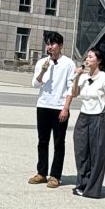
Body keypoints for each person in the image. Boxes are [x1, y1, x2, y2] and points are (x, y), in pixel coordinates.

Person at [66, 46, 105, 198]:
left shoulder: (104, 79)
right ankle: (82, 183)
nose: (87, 59)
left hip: (99, 117)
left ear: (98, 61)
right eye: (87, 57)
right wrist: (76, 77)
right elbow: (74, 93)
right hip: (84, 116)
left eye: (90, 57)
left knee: (97, 153)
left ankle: (93, 189)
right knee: (81, 151)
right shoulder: (83, 77)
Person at [29, 33, 75, 187]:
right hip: (43, 105)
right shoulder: (42, 62)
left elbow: (70, 88)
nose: (49, 47)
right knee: (42, 141)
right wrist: (43, 71)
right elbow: (35, 84)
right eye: (47, 44)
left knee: (59, 142)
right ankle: (41, 173)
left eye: (52, 44)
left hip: (59, 107)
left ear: (60, 45)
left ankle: (55, 175)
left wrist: (66, 108)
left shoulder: (68, 64)